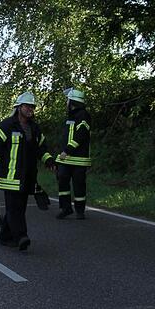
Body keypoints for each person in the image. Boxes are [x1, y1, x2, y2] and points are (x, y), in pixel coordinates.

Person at [0, 92, 55, 251]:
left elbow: (42, 148)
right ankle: (21, 237)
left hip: (27, 177)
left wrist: (49, 161)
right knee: (15, 209)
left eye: (32, 106)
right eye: (27, 106)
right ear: (19, 107)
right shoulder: (6, 126)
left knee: (18, 208)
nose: (30, 109)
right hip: (10, 177)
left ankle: (5, 236)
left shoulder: (34, 128)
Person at [56, 88, 92, 220]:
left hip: (78, 159)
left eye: (68, 100)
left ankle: (80, 211)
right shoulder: (71, 116)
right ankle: (66, 209)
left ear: (72, 101)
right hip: (65, 159)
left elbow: (81, 134)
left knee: (79, 185)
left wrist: (67, 150)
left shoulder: (83, 115)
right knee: (63, 183)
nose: (66, 102)